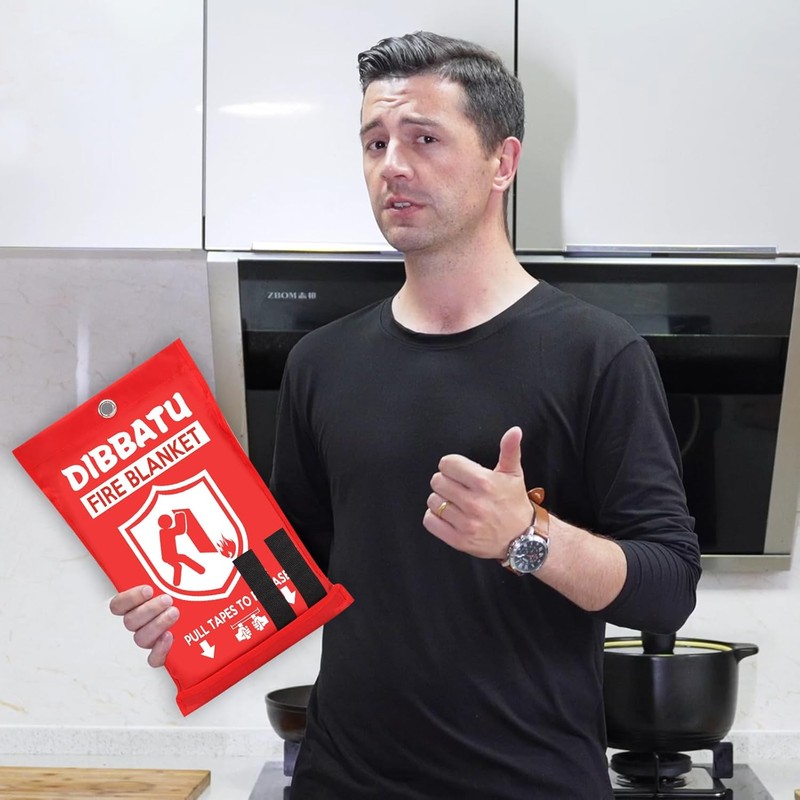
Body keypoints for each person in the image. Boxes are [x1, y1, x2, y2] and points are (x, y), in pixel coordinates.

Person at [110, 31, 701, 798]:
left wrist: (528, 537)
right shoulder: (321, 363)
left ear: (503, 162)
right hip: (341, 780)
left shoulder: (600, 355)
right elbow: (298, 568)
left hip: (529, 784)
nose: (392, 164)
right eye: (375, 142)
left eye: (424, 138)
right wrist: (190, 608)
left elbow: (668, 589)